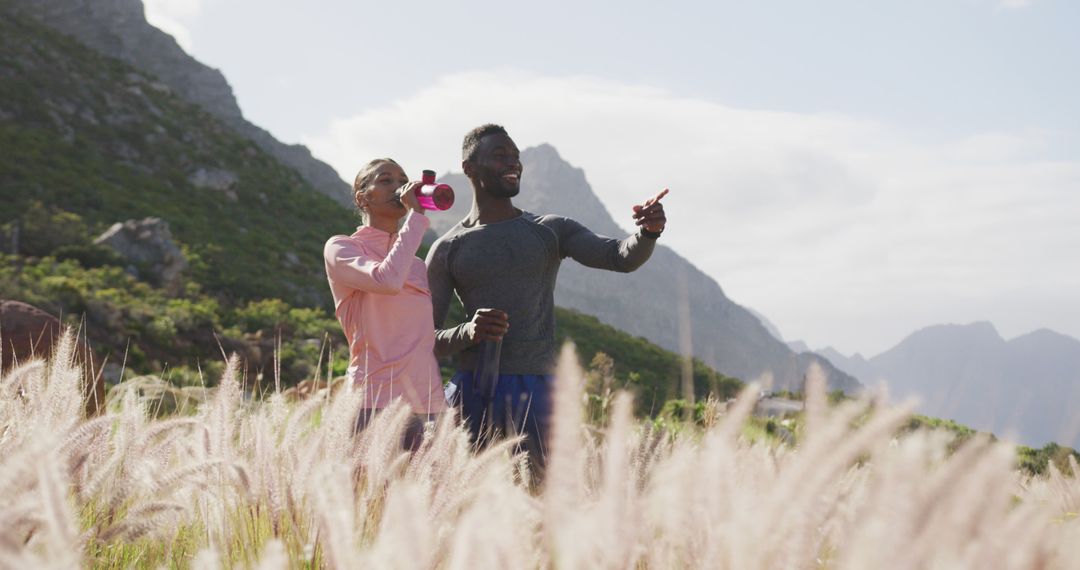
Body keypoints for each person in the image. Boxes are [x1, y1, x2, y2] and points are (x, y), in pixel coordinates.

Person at [426, 124, 668, 477]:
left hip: (536, 390)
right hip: (471, 390)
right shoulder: (447, 248)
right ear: (470, 168)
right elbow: (423, 340)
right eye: (500, 156)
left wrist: (648, 232)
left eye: (516, 157)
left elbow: (620, 257)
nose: (513, 164)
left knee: (541, 502)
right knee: (463, 504)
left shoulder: (550, 229)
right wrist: (468, 332)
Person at [324, 158, 448, 449]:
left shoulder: (416, 264)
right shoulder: (342, 248)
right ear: (362, 198)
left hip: (428, 405)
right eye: (385, 180)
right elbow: (387, 281)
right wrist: (417, 215)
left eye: (403, 179)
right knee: (370, 494)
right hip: (373, 401)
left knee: (429, 495)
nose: (399, 186)